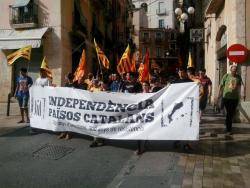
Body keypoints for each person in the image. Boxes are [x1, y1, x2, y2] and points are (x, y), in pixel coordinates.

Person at [217, 64, 245, 136]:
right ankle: (228, 129)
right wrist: (218, 95)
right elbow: (221, 85)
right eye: (233, 69)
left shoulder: (238, 77)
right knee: (229, 113)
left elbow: (241, 85)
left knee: (231, 113)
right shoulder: (226, 76)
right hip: (226, 97)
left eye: (235, 70)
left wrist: (242, 93)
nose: (234, 71)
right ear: (230, 70)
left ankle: (227, 124)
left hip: (235, 98)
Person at [58, 73, 75, 140]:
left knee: (70, 118)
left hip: (71, 105)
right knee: (64, 118)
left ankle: (69, 133)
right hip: (65, 104)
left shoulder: (75, 85)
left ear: (69, 78)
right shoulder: (66, 85)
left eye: (67, 77)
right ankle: (63, 132)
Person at [135, 81, 151, 155]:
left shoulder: (153, 94)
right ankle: (139, 149)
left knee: (146, 131)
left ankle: (144, 145)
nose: (144, 86)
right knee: (139, 132)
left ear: (148, 86)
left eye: (146, 85)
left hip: (149, 116)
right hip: (140, 116)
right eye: (143, 85)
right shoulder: (139, 95)